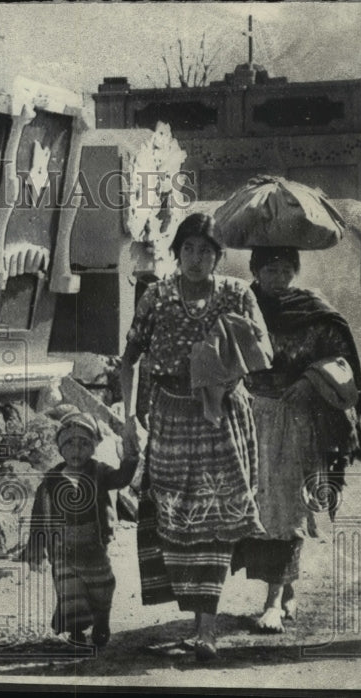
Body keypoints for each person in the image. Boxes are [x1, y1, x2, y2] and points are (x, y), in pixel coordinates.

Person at [119, 212, 268, 661]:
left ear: (218, 256)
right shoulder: (157, 297)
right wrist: (128, 418)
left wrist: (228, 353)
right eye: (188, 248)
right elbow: (129, 359)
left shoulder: (237, 295)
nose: (196, 258)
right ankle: (197, 618)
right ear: (176, 252)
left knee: (215, 517)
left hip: (221, 418)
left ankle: (206, 628)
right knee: (175, 518)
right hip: (170, 415)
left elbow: (263, 353)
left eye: (206, 250)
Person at [233, 246, 361, 632]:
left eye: (285, 269)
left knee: (288, 505)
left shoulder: (314, 310)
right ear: (255, 270)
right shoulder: (242, 306)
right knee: (259, 507)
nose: (278, 278)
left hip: (296, 418)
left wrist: (310, 381)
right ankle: (285, 589)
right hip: (252, 415)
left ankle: (272, 603)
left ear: (295, 270)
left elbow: (343, 361)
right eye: (269, 269)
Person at [22, 411, 135, 648]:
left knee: (102, 586)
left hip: (94, 546)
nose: (77, 450)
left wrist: (129, 458)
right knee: (70, 590)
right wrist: (36, 547)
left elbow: (121, 480)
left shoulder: (99, 472)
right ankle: (75, 632)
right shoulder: (51, 480)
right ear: (60, 448)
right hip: (63, 548)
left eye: (84, 444)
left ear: (93, 447)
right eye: (70, 444)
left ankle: (101, 622)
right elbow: (39, 517)